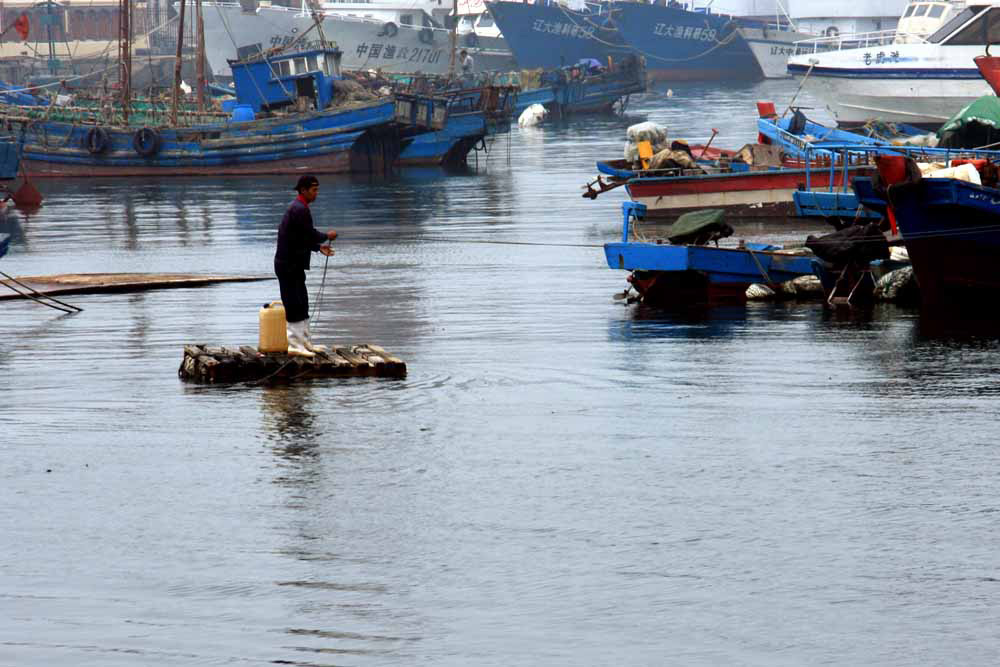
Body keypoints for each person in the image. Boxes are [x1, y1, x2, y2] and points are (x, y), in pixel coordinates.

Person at [274, 175, 337, 356]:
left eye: (317, 189)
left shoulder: (301, 208)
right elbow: (309, 234)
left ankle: (306, 342)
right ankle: (294, 345)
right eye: (314, 190)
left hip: (295, 264)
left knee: (302, 302)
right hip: (287, 265)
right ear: (303, 190)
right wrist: (326, 236)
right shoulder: (299, 209)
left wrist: (318, 248)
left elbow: (300, 238)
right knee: (293, 303)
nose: (316, 193)